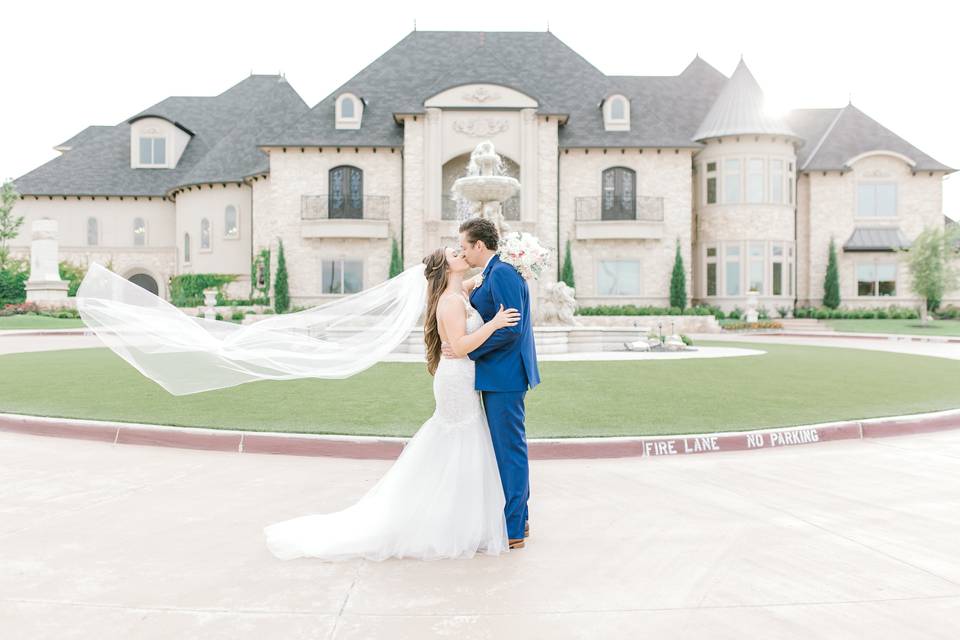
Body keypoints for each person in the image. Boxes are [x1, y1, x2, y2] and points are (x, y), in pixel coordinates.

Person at [263, 246, 522, 561]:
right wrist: (493, 324)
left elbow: (478, 279)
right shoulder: (451, 302)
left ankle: (460, 520)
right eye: (455, 253)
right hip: (457, 379)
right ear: (447, 267)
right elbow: (461, 347)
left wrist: (516, 259)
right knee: (457, 441)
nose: (461, 253)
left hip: (463, 378)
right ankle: (448, 524)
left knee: (461, 442)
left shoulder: (458, 292)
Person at [442, 217, 541, 550]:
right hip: (497, 374)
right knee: (503, 449)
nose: (463, 252)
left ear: (479, 245)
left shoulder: (502, 273)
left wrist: (468, 351)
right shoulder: (492, 272)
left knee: (510, 450)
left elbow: (511, 326)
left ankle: (514, 527)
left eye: (465, 246)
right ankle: (519, 518)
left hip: (505, 377)